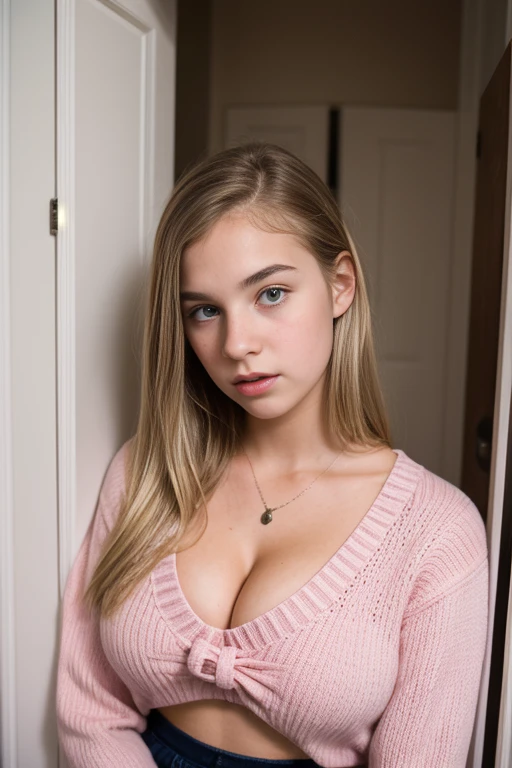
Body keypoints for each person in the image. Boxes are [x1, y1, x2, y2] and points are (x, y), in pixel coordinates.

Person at [55, 141, 489, 768]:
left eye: (270, 294)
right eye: (205, 311)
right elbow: (90, 712)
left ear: (340, 286)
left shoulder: (437, 532)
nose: (237, 344)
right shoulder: (146, 474)